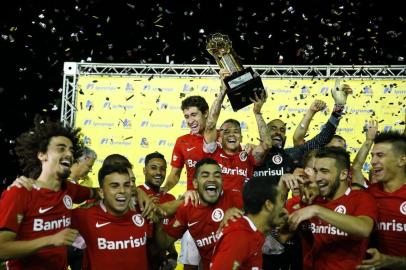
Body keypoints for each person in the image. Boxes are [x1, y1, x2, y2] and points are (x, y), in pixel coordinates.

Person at [0, 116, 92, 269]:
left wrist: (138, 193)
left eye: (71, 150)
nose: (69, 154)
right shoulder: (20, 192)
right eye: (61, 148)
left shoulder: (69, 189)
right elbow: (2, 249)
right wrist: (51, 240)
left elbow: (100, 192)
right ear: (41, 155)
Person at [288, 147, 378, 270]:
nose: (318, 177)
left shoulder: (361, 198)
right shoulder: (309, 200)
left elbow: (364, 229)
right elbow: (280, 236)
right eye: (316, 171)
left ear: (343, 174)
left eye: (324, 171)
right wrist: (283, 189)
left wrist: (317, 210)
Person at [155, 158, 243, 270]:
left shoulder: (236, 198)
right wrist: (157, 221)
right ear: (195, 183)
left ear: (222, 180)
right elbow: (164, 243)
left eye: (217, 175)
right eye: (205, 175)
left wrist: (243, 219)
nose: (212, 179)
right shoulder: (187, 209)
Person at [254, 81, 352, 180]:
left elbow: (323, 138)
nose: (278, 132)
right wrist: (257, 112)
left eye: (282, 130)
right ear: (263, 131)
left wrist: (339, 106)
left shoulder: (290, 155)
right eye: (273, 128)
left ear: (285, 137)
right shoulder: (251, 154)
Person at [160, 95, 211, 269]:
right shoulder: (182, 141)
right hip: (193, 208)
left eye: (194, 115)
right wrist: (164, 189)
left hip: (218, 207)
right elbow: (175, 174)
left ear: (206, 113)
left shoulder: (220, 137)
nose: (190, 121)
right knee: (190, 256)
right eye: (187, 117)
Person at [71, 163, 152, 270]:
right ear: (101, 192)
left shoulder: (143, 213)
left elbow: (156, 248)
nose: (122, 191)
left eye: (126, 185)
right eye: (114, 186)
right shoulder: (84, 216)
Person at [204, 87, 271, 193]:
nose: (232, 135)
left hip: (242, 208)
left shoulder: (248, 155)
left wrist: (257, 113)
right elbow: (210, 125)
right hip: (217, 207)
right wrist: (222, 93)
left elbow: (266, 145)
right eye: (226, 132)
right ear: (219, 139)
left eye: (236, 132)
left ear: (241, 138)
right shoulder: (213, 152)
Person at [210, 176, 286, 270]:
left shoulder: (251, 232)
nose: (283, 209)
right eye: (282, 200)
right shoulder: (239, 236)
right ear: (269, 205)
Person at [357, 131, 406, 270]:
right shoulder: (367, 195)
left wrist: (391, 261)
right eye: (372, 156)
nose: (372, 161)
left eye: (380, 155)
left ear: (401, 160)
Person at [137, 152, 178, 270]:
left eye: (163, 169)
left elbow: (169, 232)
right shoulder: (136, 193)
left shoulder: (170, 198)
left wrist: (172, 255)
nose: (159, 173)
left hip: (160, 263)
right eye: (153, 168)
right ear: (144, 170)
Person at [67, 147, 97, 270]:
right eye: (89, 166)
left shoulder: (88, 182)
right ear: (80, 160)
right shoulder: (58, 183)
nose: (90, 170)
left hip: (80, 245)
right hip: (63, 244)